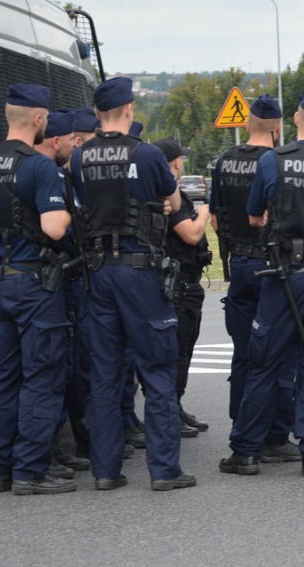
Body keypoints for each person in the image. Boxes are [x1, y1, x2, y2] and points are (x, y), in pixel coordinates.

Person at [68, 76, 195, 491]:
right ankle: (164, 470)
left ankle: (105, 471)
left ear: (96, 116)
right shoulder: (147, 153)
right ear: (128, 110)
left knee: (105, 374)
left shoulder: (77, 158)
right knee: (157, 369)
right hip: (140, 272)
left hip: (97, 271)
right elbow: (173, 202)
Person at [219, 88, 304, 478]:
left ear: (294, 118)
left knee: (263, 362)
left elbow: (255, 218)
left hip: (281, 272)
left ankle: (245, 452)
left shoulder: (272, 161)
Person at [0, 83, 76, 495]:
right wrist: (64, 218)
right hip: (34, 283)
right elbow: (53, 227)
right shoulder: (40, 166)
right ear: (40, 119)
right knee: (41, 378)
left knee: (5, 378)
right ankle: (30, 471)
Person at [209, 94, 300, 465]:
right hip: (272, 265)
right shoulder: (278, 163)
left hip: (240, 266)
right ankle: (275, 436)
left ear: (247, 124)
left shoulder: (223, 161)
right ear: (278, 128)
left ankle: (242, 427)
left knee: (244, 353)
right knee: (279, 354)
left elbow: (216, 218)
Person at [33, 110, 93, 477]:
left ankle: (54, 446)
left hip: (46, 278)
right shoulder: (51, 174)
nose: (75, 145)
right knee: (55, 368)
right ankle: (50, 449)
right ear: (57, 141)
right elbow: (59, 228)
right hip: (54, 279)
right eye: (72, 140)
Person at [153, 136, 212, 437]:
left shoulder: (174, 194)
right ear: (175, 162)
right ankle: (170, 412)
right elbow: (189, 235)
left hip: (186, 283)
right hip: (178, 287)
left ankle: (175, 406)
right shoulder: (169, 196)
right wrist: (202, 214)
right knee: (176, 353)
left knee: (184, 351)